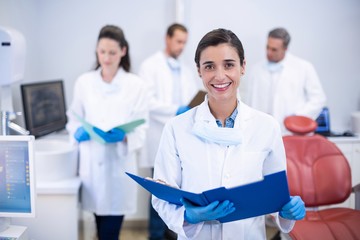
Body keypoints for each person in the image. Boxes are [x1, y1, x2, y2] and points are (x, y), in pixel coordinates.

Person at [151, 28, 306, 239]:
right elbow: (161, 197)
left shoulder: (267, 126)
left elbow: (274, 195)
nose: (220, 75)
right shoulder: (176, 128)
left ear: (243, 66)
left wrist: (286, 210)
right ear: (199, 71)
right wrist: (188, 216)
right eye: (209, 66)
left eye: (229, 65)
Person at [66, 25, 148, 240]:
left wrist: (125, 135)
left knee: (110, 231)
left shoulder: (135, 85)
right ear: (96, 50)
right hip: (92, 165)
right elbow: (73, 117)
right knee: (99, 223)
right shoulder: (84, 82)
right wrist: (77, 132)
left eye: (112, 52)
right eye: (102, 52)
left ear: (123, 51)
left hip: (118, 166)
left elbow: (142, 125)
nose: (106, 58)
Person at [138, 23, 199, 240]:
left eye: (184, 42)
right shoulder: (149, 66)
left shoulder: (184, 68)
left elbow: (193, 96)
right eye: (178, 41)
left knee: (176, 187)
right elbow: (147, 102)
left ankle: (170, 232)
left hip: (182, 137)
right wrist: (176, 110)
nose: (182, 46)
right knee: (159, 189)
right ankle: (155, 235)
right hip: (158, 135)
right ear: (168, 38)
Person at [245, 27, 326, 133]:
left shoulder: (304, 67)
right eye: (267, 47)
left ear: (285, 49)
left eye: (274, 49)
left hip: (291, 132)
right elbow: (249, 102)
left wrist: (297, 116)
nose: (269, 52)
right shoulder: (256, 69)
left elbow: (318, 99)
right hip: (262, 131)